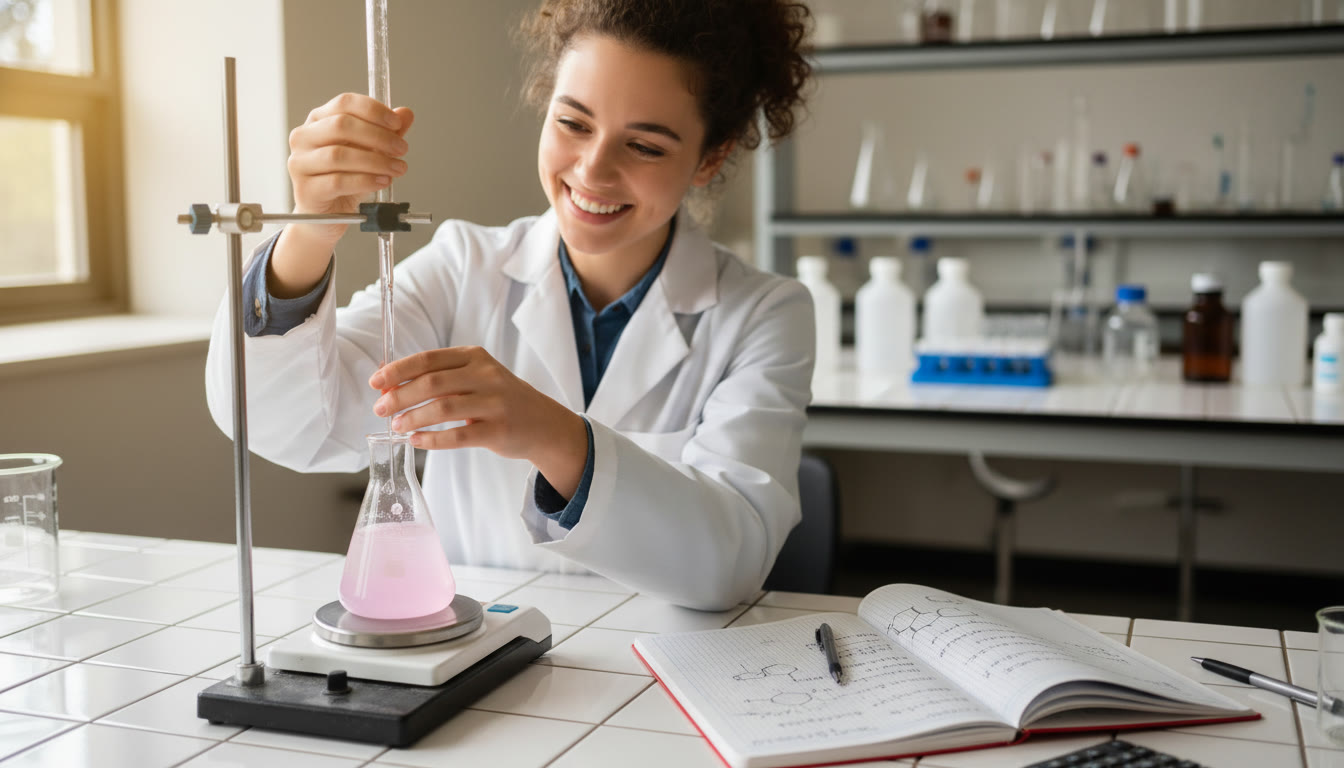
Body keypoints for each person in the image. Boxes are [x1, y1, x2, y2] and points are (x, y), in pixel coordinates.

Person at [205, 0, 816, 611]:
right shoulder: (462, 270)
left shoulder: (764, 315)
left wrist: (548, 433)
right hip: (477, 663)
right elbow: (286, 423)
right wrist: (311, 232)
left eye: (646, 147)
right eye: (574, 124)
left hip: (659, 677)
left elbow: (732, 562)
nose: (593, 170)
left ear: (710, 156)